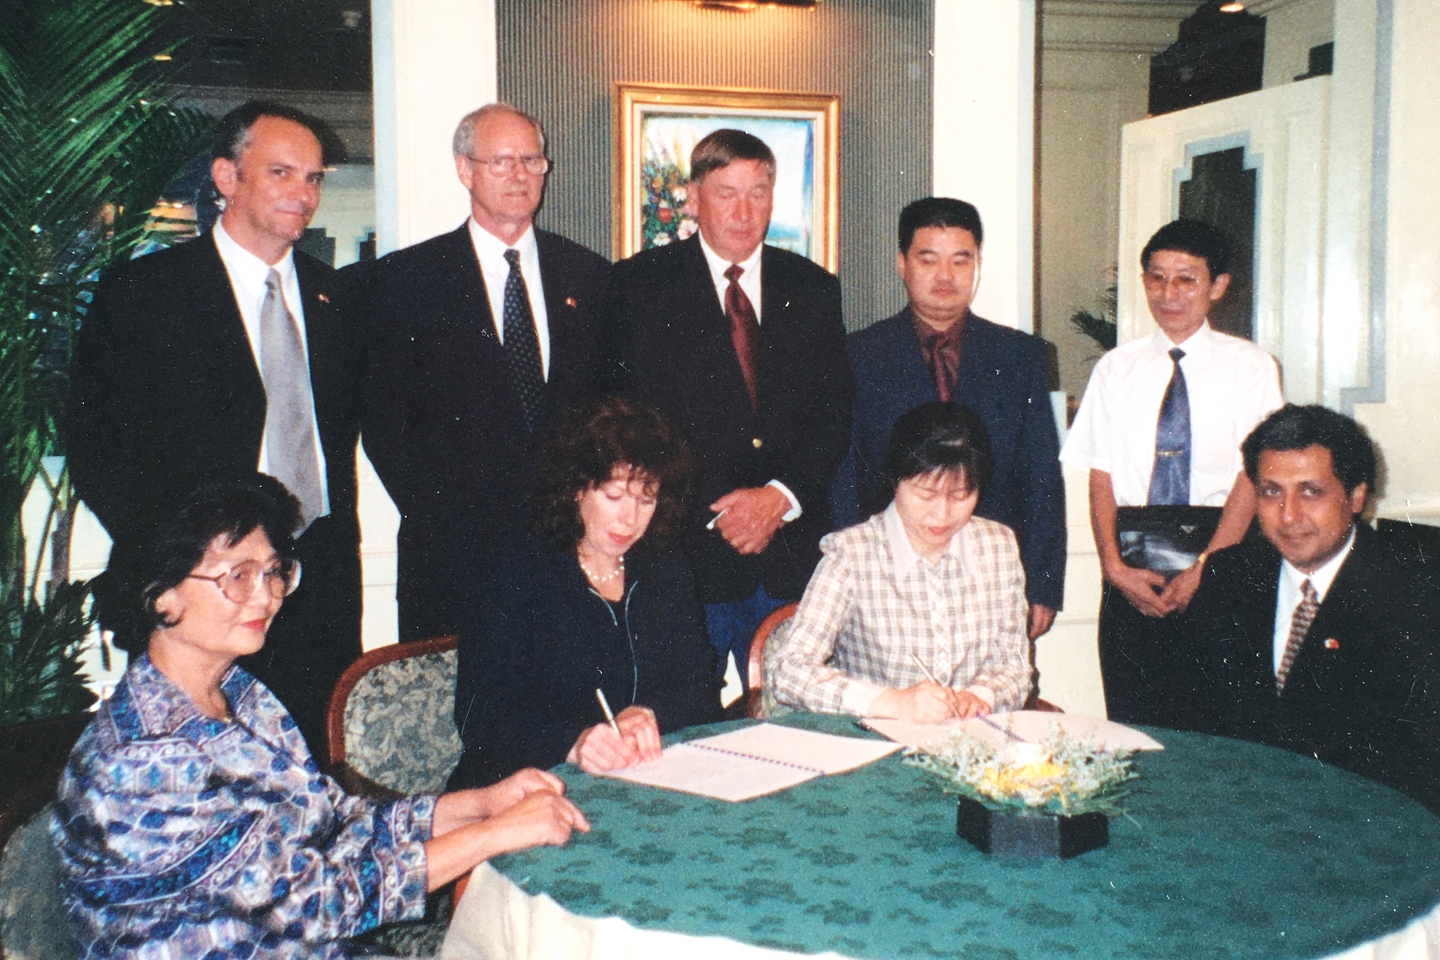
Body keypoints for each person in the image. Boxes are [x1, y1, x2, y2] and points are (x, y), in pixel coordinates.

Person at [51, 476, 589, 960]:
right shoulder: (145, 760)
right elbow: (317, 904)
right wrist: (494, 834)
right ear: (160, 596)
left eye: (273, 571)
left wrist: (479, 804)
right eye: (237, 575)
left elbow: (332, 820)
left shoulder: (241, 695)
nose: (265, 595)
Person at [68, 101, 363, 761]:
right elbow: (98, 449)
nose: (303, 193)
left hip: (315, 583)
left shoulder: (336, 299)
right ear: (226, 178)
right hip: (201, 593)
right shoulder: (147, 292)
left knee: (310, 770)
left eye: (314, 178)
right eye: (282, 172)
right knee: (203, 774)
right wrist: (179, 563)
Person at [605, 128, 852, 687]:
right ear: (693, 198)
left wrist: (777, 499)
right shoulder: (637, 288)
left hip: (791, 555)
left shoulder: (813, 288)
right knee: (682, 734)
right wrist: (726, 511)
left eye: (758, 192)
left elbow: (834, 416)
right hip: (683, 558)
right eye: (726, 192)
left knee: (799, 736)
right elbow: (626, 426)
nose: (745, 211)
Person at [358, 102, 609, 641]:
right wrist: (454, 521)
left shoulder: (590, 277)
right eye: (501, 162)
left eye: (531, 160)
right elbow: (385, 426)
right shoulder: (407, 281)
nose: (519, 174)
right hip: (452, 564)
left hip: (570, 559)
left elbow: (608, 415)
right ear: (464, 170)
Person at [1061, 218, 1282, 727]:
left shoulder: (1251, 366)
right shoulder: (1116, 368)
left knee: (1217, 725)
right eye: (1156, 278)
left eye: (1186, 278)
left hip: (1218, 554)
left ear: (1218, 286)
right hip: (1131, 558)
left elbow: (1253, 476)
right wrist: (1114, 569)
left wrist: (1210, 567)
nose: (1169, 293)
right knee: (1134, 718)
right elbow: (1101, 474)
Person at [448, 397, 723, 789]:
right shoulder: (519, 573)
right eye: (613, 497)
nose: (630, 519)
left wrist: (647, 712)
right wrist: (572, 742)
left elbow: (700, 687)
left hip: (636, 783)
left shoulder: (665, 568)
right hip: (524, 790)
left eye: (646, 501)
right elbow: (481, 718)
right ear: (577, 490)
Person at [1189, 405, 1440, 810]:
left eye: (1311, 491)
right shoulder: (1229, 577)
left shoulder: (1416, 595)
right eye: (1272, 492)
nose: (1289, 515)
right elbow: (1197, 721)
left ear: (1356, 496)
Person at [840, 197, 1065, 641]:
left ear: (977, 264)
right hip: (885, 579)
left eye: (961, 260)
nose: (946, 276)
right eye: (929, 259)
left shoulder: (1021, 357)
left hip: (992, 579)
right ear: (902, 264)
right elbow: (844, 475)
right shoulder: (857, 355)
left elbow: (1041, 475)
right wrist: (849, 574)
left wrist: (1041, 583)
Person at [769, 402, 1030, 721]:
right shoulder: (853, 554)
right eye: (925, 495)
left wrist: (979, 696)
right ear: (895, 480)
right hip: (877, 744)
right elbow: (788, 671)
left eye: (961, 496)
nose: (942, 515)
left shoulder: (998, 546)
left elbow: (1014, 667)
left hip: (972, 743)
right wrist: (891, 702)